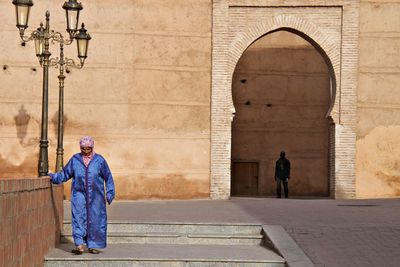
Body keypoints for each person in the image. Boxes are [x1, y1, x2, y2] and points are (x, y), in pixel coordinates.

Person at [49, 136, 115, 255]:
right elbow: (65, 174)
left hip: (96, 196)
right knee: (78, 217)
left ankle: (93, 245)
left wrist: (110, 193)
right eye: (83, 149)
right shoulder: (75, 160)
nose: (86, 151)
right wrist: (54, 177)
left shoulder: (99, 161)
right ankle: (79, 245)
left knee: (95, 219)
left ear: (92, 147)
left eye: (88, 149)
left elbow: (108, 177)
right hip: (79, 194)